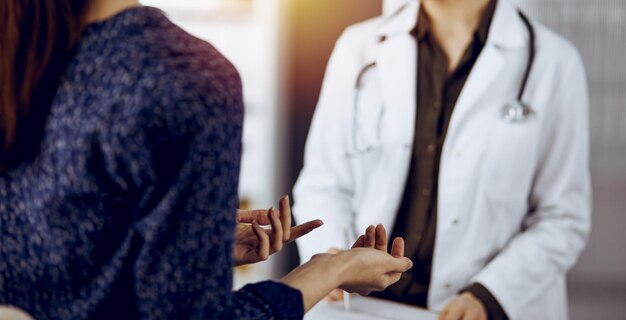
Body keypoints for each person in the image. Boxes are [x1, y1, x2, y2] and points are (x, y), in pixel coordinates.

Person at [0, 0, 414, 319]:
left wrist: (192, 244)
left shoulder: (22, 49)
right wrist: (331, 269)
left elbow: (57, 244)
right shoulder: (183, 77)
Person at [293, 0, 591, 319]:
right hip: (360, 306)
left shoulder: (554, 62)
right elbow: (323, 183)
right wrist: (333, 259)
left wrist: (488, 295)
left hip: (477, 309)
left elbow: (562, 218)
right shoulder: (359, 47)